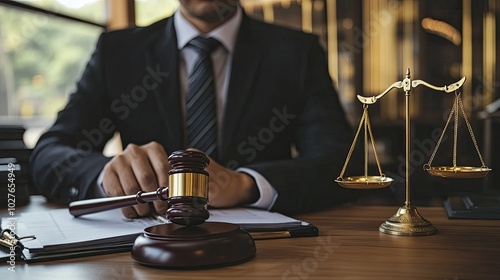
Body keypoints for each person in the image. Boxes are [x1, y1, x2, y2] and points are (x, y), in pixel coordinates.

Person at [29, 0, 356, 218]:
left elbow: (340, 163)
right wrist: (108, 175)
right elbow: (49, 154)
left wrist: (247, 185)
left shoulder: (297, 53)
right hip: (142, 251)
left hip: (267, 253)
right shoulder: (119, 52)